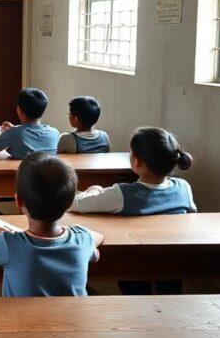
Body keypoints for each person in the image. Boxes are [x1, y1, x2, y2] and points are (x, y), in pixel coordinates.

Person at [0, 152, 104, 297]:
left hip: (21, 325)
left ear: (18, 201)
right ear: (70, 203)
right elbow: (99, 237)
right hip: (72, 324)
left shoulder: (8, 243)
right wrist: (74, 232)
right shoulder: (82, 239)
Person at [69, 126, 194, 295]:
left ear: (137, 161)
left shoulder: (122, 194)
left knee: (134, 282)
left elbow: (77, 204)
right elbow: (192, 215)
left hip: (135, 262)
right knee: (169, 282)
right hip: (173, 260)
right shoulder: (183, 187)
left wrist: (94, 189)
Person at [0, 87, 58, 159]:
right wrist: (15, 129)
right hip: (48, 174)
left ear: (20, 111)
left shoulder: (13, 133)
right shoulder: (54, 132)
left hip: (23, 174)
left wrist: (6, 133)